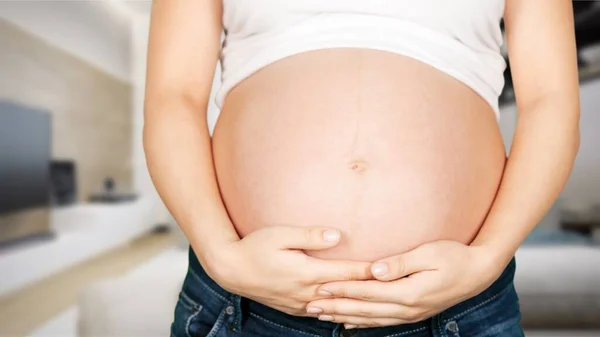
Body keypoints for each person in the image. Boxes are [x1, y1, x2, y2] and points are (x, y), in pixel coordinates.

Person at [143, 0, 580, 336]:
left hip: (455, 308)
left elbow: (551, 99)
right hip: (247, 302)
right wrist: (220, 254)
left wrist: (488, 258)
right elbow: (173, 95)